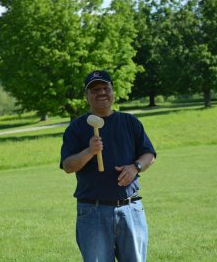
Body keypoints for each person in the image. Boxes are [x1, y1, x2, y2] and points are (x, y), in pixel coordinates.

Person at [60, 70, 156, 262]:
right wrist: (89, 152)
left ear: (113, 91)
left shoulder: (130, 122)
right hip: (92, 212)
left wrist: (135, 167)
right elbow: (68, 166)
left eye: (106, 88)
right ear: (87, 96)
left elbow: (149, 154)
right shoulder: (76, 128)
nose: (101, 92)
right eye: (95, 90)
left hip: (131, 209)